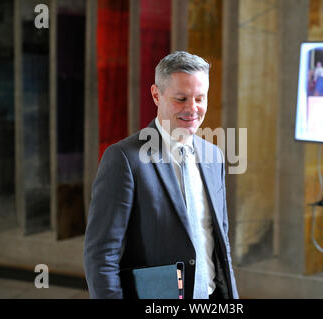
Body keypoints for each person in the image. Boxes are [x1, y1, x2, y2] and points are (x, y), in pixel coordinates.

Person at [83, 51, 239, 299]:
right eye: (181, 98)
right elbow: (102, 255)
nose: (193, 108)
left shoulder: (214, 156)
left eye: (200, 98)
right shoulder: (124, 159)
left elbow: (220, 242)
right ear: (156, 95)